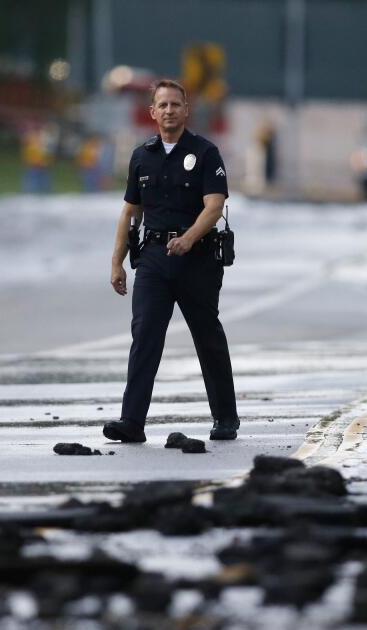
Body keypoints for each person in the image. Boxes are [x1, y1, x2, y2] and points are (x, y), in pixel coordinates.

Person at [103, 79, 239, 443]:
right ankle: (131, 422)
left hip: (197, 260)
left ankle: (225, 417)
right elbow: (131, 212)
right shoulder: (141, 156)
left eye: (175, 105)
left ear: (186, 109)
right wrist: (117, 261)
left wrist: (189, 239)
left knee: (207, 336)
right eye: (162, 105)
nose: (169, 111)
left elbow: (214, 206)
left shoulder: (206, 152)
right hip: (153, 260)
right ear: (152, 112)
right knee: (145, 335)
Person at [21, 128, 54, 193]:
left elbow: (46, 155)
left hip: (42, 167)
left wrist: (46, 162)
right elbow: (30, 157)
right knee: (31, 181)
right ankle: (28, 194)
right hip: (33, 166)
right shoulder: (31, 146)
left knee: (45, 182)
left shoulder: (41, 144)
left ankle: (47, 194)